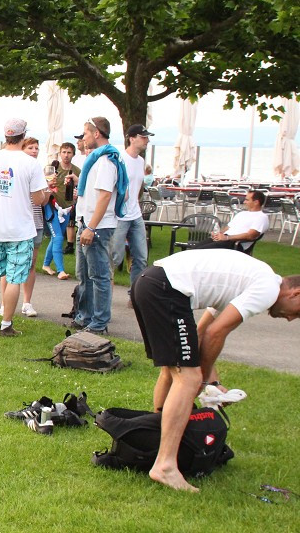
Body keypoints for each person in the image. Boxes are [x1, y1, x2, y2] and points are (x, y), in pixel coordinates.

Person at [131, 249, 300, 492]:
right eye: (297, 312)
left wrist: (212, 380)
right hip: (166, 288)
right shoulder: (267, 290)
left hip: (149, 282)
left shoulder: (255, 278)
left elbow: (200, 332)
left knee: (174, 371)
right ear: (296, 293)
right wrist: (203, 382)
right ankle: (164, 465)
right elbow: (216, 333)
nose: (291, 319)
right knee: (188, 378)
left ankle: (157, 444)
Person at [0, 119, 49, 337]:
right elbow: (38, 199)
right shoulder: (30, 163)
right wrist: (45, 194)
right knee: (15, 278)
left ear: (6, 136)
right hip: (21, 230)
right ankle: (6, 324)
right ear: (23, 136)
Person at [73, 116, 126, 335]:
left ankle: (99, 321)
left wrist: (91, 228)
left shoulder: (106, 161)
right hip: (85, 222)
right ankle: (85, 315)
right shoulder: (96, 159)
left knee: (99, 275)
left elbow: (105, 197)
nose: (83, 138)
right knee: (84, 274)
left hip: (97, 227)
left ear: (97, 134)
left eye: (85, 133)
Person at [110, 125, 152, 302]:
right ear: (132, 138)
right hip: (120, 216)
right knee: (114, 257)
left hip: (136, 214)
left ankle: (135, 297)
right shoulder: (120, 159)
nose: (147, 140)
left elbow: (139, 187)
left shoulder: (141, 161)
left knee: (141, 256)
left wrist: (135, 201)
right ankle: (105, 295)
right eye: (143, 137)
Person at [16, 137, 45, 318]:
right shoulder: (20, 169)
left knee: (31, 264)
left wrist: (47, 189)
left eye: (37, 148)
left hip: (36, 222)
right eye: (30, 148)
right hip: (20, 222)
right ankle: (6, 301)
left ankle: (27, 302)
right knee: (12, 263)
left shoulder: (39, 170)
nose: (34, 151)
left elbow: (42, 200)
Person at [195, 190, 269, 252]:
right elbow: (228, 228)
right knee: (194, 249)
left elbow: (250, 236)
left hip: (235, 243)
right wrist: (218, 234)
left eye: (247, 200)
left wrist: (227, 238)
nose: (244, 202)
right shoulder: (242, 214)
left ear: (256, 202)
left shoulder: (261, 217)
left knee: (201, 251)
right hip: (225, 239)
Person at [53, 142, 81, 254]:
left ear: (73, 154)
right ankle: (58, 267)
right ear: (60, 154)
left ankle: (47, 264)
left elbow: (81, 188)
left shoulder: (77, 171)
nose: (66, 155)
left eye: (69, 152)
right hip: (54, 205)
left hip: (69, 206)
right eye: (64, 152)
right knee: (57, 236)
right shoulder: (53, 167)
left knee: (61, 233)